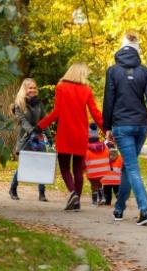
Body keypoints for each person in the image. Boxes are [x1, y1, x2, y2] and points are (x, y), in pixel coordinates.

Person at [103, 33, 147, 225]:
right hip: (141, 125)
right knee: (127, 166)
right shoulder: (144, 71)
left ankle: (145, 210)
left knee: (131, 167)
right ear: (137, 50)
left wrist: (107, 127)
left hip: (122, 125)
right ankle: (119, 208)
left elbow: (109, 100)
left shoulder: (113, 71)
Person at [38, 63, 104, 211]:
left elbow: (57, 112)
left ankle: (73, 193)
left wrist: (40, 126)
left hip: (65, 133)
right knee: (78, 170)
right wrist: (106, 129)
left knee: (64, 168)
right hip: (81, 134)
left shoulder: (61, 87)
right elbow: (95, 112)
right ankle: (77, 202)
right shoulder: (86, 90)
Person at [9, 78, 52, 202]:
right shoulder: (19, 104)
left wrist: (49, 136)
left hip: (38, 138)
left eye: (34, 88)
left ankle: (42, 193)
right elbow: (22, 121)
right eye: (30, 88)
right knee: (24, 164)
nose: (32, 90)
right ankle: (13, 188)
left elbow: (45, 120)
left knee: (41, 164)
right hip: (26, 138)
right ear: (25, 89)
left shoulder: (39, 103)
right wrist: (32, 131)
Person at [85, 123, 110, 206]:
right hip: (103, 170)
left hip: (93, 171)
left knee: (93, 184)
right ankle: (102, 197)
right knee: (99, 182)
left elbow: (84, 161)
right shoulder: (103, 147)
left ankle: (94, 200)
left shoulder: (88, 149)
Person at [101, 142, 123, 208]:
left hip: (107, 180)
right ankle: (120, 200)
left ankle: (107, 202)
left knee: (107, 192)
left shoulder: (104, 157)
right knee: (117, 191)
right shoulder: (119, 158)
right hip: (117, 180)